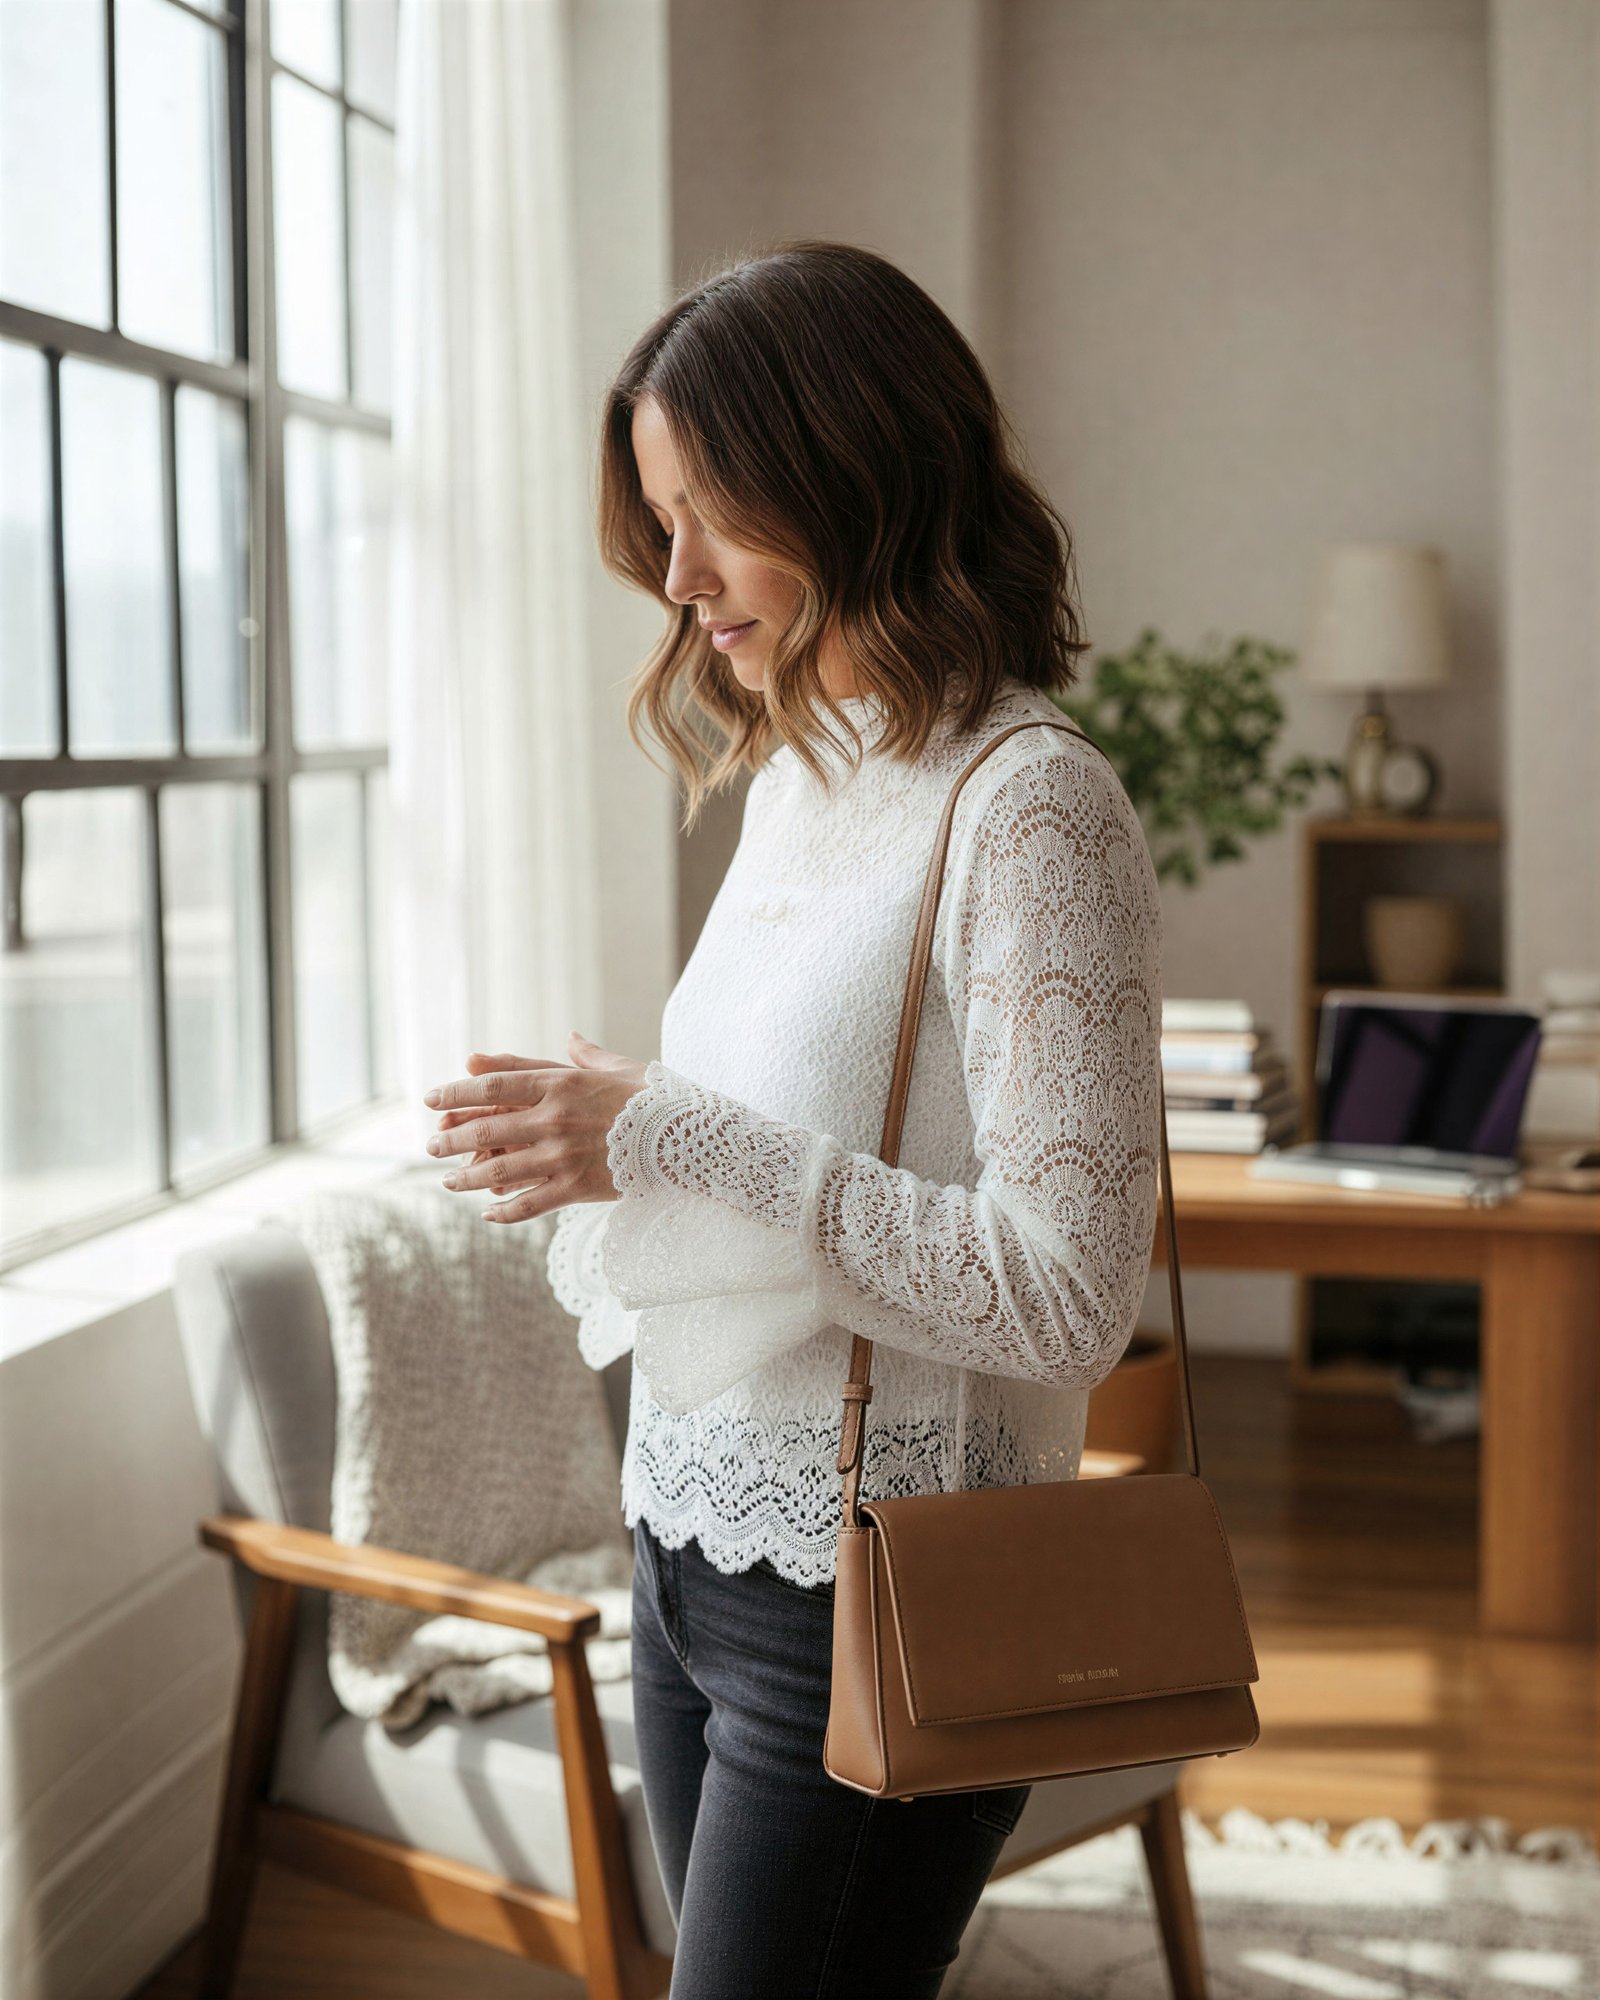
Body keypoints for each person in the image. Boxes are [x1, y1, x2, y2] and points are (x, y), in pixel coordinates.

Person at [421, 240, 1164, 1999]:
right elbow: (767, 1165)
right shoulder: (807, 765)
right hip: (684, 1539)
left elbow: (1067, 1298)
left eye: (710, 514)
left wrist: (672, 1134)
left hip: (878, 1583)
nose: (676, 580)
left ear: (855, 473)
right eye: (658, 523)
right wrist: (597, 1145)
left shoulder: (1032, 807)